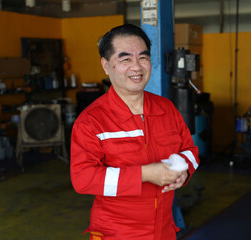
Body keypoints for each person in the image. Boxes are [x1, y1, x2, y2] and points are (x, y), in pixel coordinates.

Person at [70, 24, 199, 240]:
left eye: (143, 58)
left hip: (164, 230)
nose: (136, 67)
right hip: (117, 233)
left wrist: (184, 171)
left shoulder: (166, 109)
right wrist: (145, 174)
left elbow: (190, 150)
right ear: (106, 65)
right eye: (125, 59)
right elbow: (83, 179)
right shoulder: (92, 121)